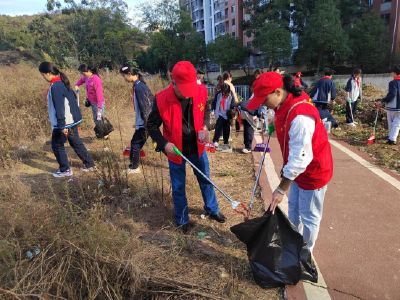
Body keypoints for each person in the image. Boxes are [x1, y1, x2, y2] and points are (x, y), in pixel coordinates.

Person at [246, 72, 333, 253]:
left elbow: (300, 158)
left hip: (312, 171)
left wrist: (281, 188)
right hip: (298, 171)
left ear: (278, 92)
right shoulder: (287, 100)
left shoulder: (301, 116)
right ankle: (293, 243)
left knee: (309, 216)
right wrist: (274, 119)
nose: (262, 104)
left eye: (264, 99)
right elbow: (283, 113)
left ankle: (305, 254)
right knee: (293, 209)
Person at [146, 61, 227, 233]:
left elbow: (205, 110)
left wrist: (205, 126)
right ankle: (182, 219)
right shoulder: (161, 99)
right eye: (183, 89)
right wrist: (164, 144)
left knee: (205, 179)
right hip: (175, 149)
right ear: (173, 83)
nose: (188, 94)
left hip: (197, 147)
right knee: (178, 186)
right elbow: (151, 126)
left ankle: (212, 209)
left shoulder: (201, 91)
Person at [39, 62, 96, 177]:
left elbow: (59, 107)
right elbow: (73, 98)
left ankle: (65, 170)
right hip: (72, 119)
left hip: (64, 121)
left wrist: (62, 125)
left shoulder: (55, 86)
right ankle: (90, 164)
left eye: (43, 75)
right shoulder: (62, 82)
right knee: (76, 142)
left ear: (49, 73)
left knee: (57, 145)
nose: (43, 78)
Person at [120, 64, 155, 174]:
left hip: (144, 123)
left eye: (124, 76)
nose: (124, 79)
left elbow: (146, 106)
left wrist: (146, 123)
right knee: (136, 143)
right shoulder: (138, 85)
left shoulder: (139, 87)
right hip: (145, 122)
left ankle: (134, 167)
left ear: (129, 74)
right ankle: (133, 166)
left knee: (135, 144)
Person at [74, 64, 107, 138]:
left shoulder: (96, 79)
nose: (83, 75)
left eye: (83, 73)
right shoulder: (87, 78)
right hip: (92, 103)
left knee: (99, 119)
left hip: (98, 103)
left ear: (88, 71)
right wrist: (77, 85)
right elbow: (81, 80)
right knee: (95, 119)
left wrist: (99, 107)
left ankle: (105, 135)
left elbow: (99, 94)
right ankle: (100, 134)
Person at [379, 65, 400, 145]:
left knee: (391, 122)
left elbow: (392, 94)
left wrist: (383, 100)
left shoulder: (393, 82)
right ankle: (392, 137)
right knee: (397, 123)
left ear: (394, 73)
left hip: (393, 106)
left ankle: (391, 138)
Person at [211, 84, 235, 151]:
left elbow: (233, 105)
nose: (224, 94)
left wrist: (232, 113)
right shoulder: (219, 94)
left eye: (226, 92)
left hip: (227, 114)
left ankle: (226, 142)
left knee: (226, 128)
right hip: (220, 113)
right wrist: (212, 110)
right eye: (223, 92)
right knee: (218, 127)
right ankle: (215, 141)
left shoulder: (231, 95)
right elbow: (214, 102)